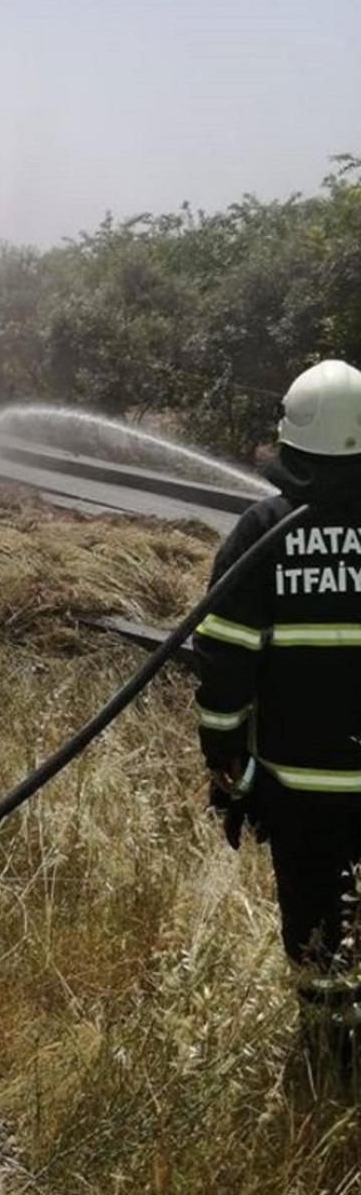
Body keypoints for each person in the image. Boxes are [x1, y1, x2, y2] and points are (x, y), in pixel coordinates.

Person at [194, 358, 361, 1067]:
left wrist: (225, 759)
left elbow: (224, 660)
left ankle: (329, 1057)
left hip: (297, 791)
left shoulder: (262, 531)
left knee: (317, 928)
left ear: (291, 442)